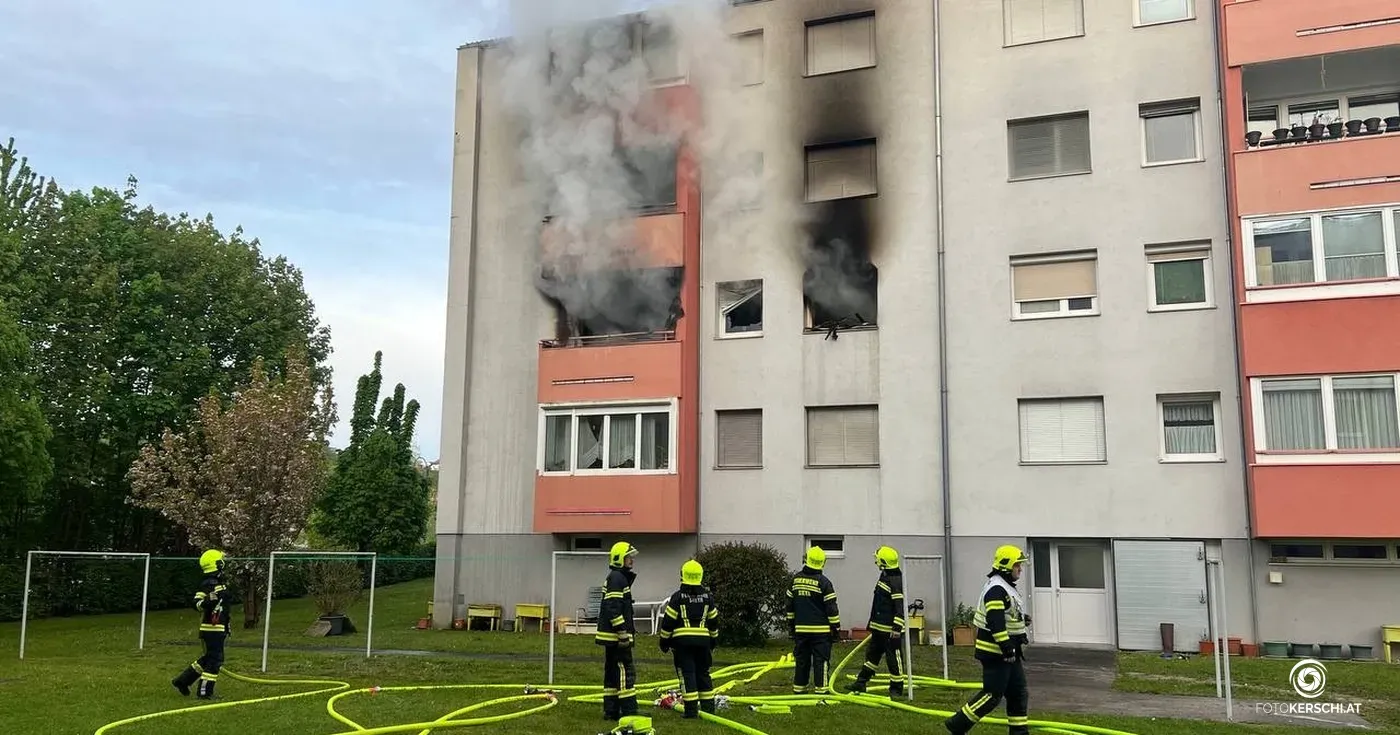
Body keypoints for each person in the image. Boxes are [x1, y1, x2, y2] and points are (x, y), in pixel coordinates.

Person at [944, 545, 1031, 735]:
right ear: (1007, 566)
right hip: (997, 653)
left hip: (1009, 653)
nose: (1020, 569)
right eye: (1018, 565)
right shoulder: (996, 589)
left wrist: (1021, 621)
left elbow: (1005, 615)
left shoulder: (1005, 587)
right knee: (991, 695)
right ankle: (957, 724)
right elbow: (995, 621)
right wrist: (1007, 648)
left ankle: (1019, 733)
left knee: (1018, 694)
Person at [657, 559, 720, 718]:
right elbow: (713, 622)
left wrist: (664, 642)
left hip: (682, 644)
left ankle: (691, 711)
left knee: (688, 675)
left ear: (683, 575)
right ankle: (708, 709)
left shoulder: (677, 598)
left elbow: (668, 622)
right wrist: (713, 641)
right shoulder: (708, 597)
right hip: (703, 643)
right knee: (703, 674)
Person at [171, 548, 231, 699]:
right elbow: (196, 603)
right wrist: (206, 601)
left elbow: (223, 608)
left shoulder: (219, 583)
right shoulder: (208, 584)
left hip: (219, 627)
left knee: (208, 658)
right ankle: (205, 692)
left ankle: (182, 681)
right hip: (211, 629)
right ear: (218, 564)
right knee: (215, 660)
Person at [848, 545, 906, 697]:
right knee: (872, 656)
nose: (876, 562)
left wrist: (896, 629)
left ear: (884, 561)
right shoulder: (885, 576)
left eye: (878, 559)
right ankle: (861, 682)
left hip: (890, 631)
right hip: (879, 628)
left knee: (893, 659)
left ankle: (896, 688)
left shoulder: (895, 581)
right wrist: (872, 624)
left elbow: (900, 608)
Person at [786, 545, 840, 695]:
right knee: (821, 661)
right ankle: (821, 690)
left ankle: (799, 689)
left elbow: (789, 606)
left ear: (807, 560)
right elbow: (831, 609)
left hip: (801, 630)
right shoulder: (824, 582)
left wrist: (791, 626)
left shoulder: (795, 580)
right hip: (821, 631)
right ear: (822, 563)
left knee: (802, 660)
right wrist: (835, 627)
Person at [596, 541, 639, 722]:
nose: (632, 561)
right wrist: (622, 631)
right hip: (616, 636)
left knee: (613, 673)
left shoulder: (617, 577)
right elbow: (613, 607)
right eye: (629, 557)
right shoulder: (617, 578)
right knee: (624, 670)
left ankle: (611, 711)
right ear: (620, 559)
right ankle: (628, 710)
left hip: (612, 635)